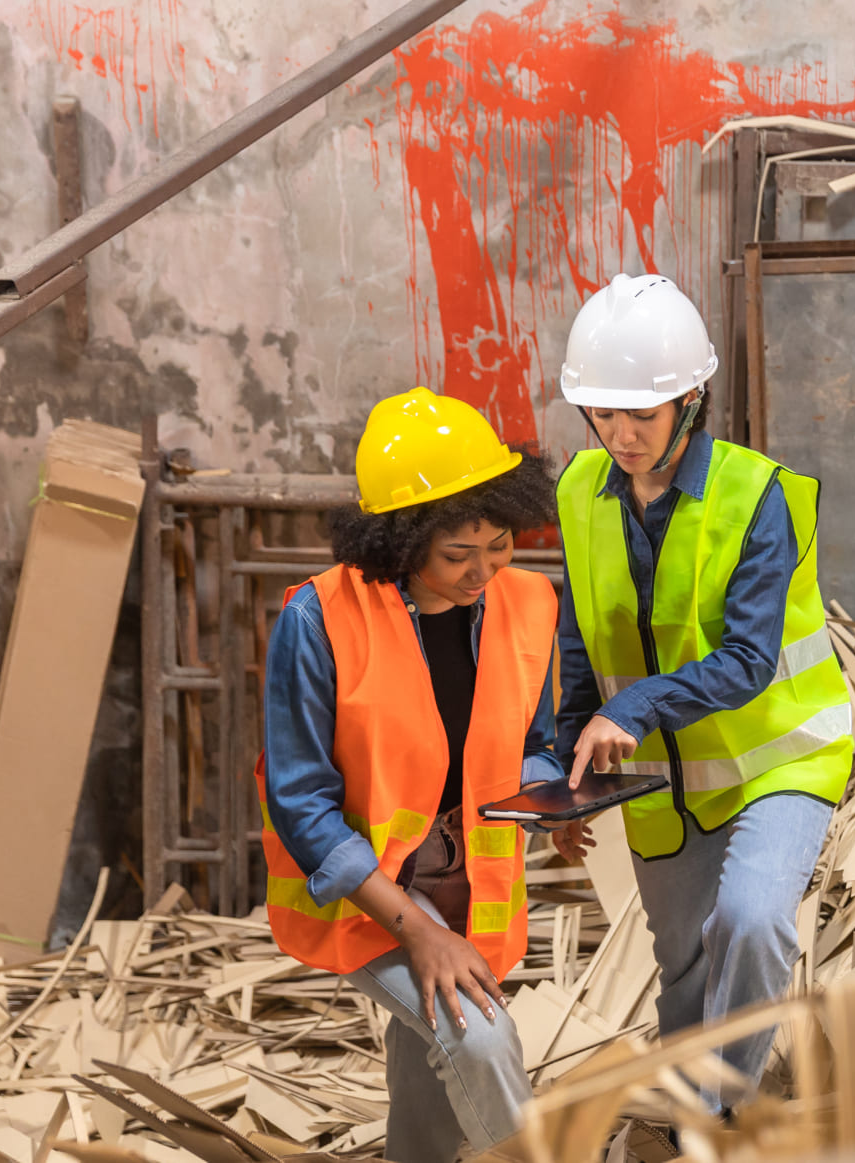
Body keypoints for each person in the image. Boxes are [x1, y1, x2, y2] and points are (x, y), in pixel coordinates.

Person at [256, 387, 592, 1163]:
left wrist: (555, 800)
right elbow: (302, 804)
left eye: (500, 542)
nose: (486, 571)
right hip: (368, 891)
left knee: (429, 1087)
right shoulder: (318, 619)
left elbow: (528, 744)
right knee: (479, 1042)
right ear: (398, 542)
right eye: (457, 554)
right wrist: (419, 932)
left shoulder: (530, 601)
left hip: (469, 882)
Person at [554, 274, 853, 1112]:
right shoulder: (580, 492)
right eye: (601, 413)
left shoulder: (758, 498)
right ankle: (692, 1107)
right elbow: (579, 635)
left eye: (639, 414)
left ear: (692, 399)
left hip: (780, 760)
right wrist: (560, 772)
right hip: (663, 782)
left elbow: (752, 658)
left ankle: (709, 1126)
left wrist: (634, 709)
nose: (619, 433)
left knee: (754, 923)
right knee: (684, 973)